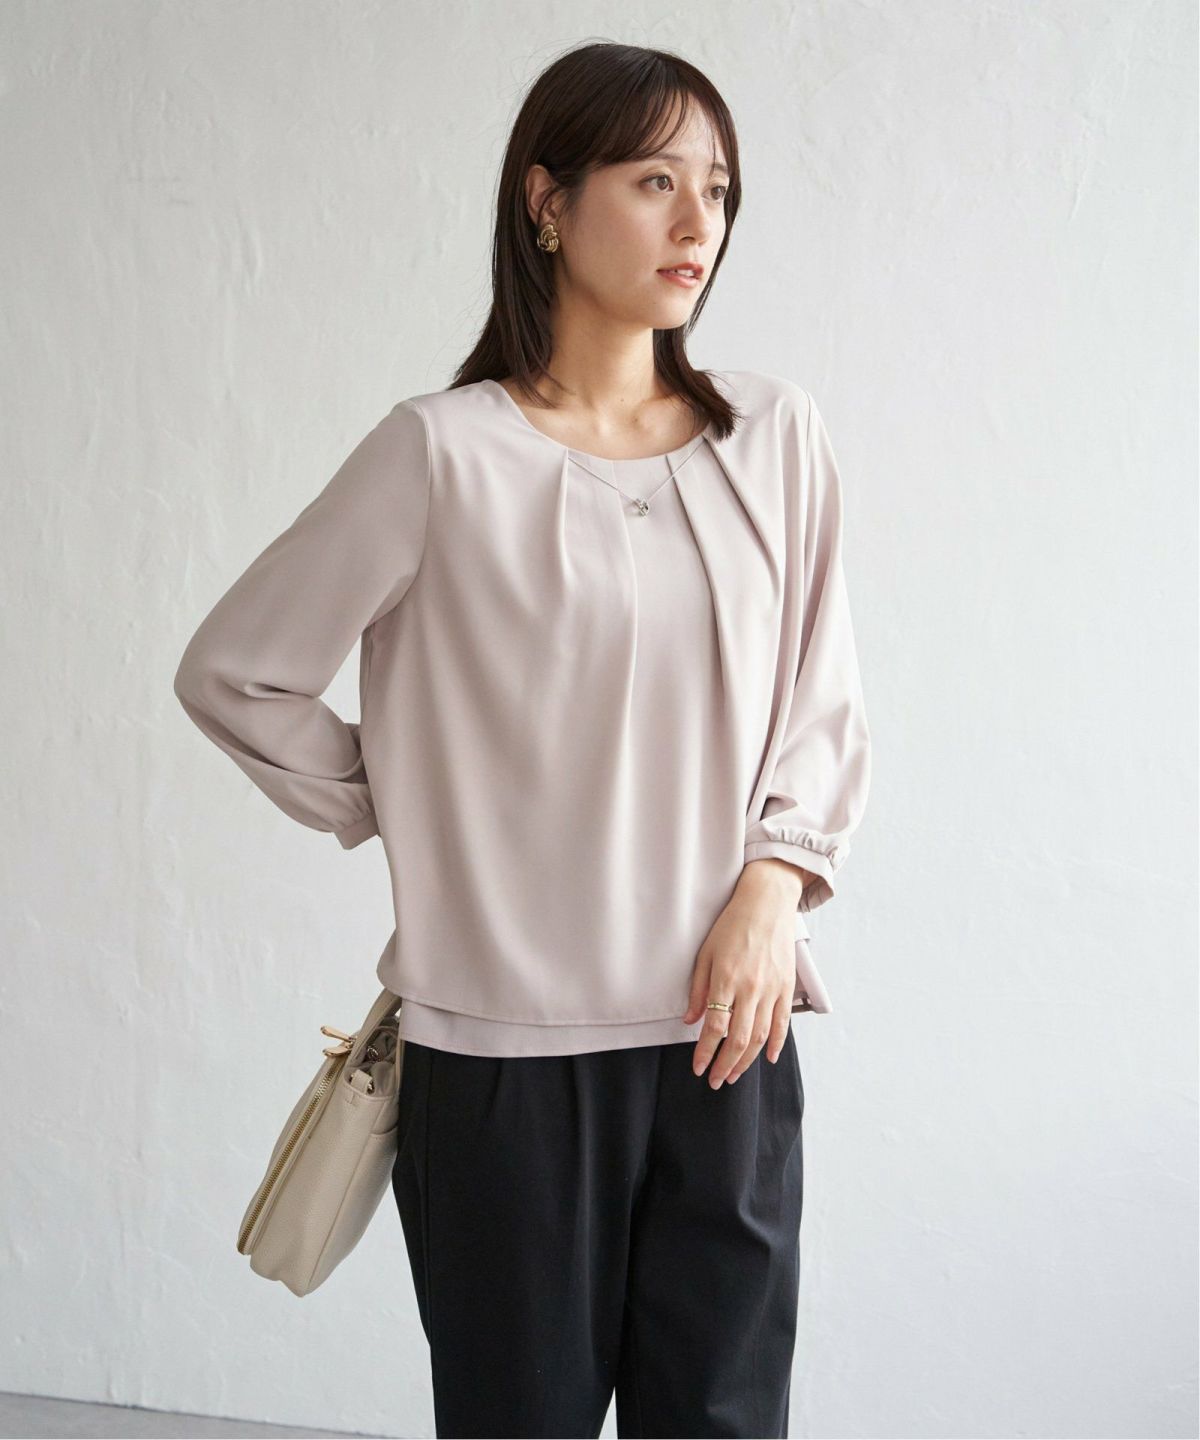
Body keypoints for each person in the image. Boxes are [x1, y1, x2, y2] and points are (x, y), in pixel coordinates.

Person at [173, 39, 871, 1440]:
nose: (697, 222)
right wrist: (407, 799)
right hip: (501, 1066)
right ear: (549, 202)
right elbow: (236, 674)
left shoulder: (773, 438)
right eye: (655, 180)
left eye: (719, 188)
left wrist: (773, 885)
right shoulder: (440, 452)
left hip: (724, 1040)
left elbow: (823, 696)